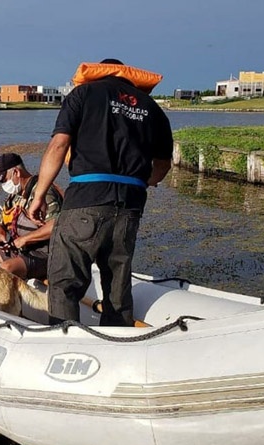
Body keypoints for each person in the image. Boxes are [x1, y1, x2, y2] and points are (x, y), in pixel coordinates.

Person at [26, 59, 173, 326]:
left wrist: (39, 196)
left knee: (65, 283)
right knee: (118, 287)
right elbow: (163, 165)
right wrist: (143, 181)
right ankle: (117, 344)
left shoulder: (83, 94)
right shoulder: (152, 108)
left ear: (98, 73)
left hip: (85, 201)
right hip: (129, 207)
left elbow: (59, 146)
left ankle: (64, 342)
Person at [0, 153, 62, 280]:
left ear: (16, 172)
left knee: (6, 268)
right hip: (20, 249)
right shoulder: (13, 197)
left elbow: (56, 225)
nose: (4, 185)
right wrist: (0, 236)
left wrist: (24, 240)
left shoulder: (44, 192)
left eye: (4, 180)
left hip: (47, 254)